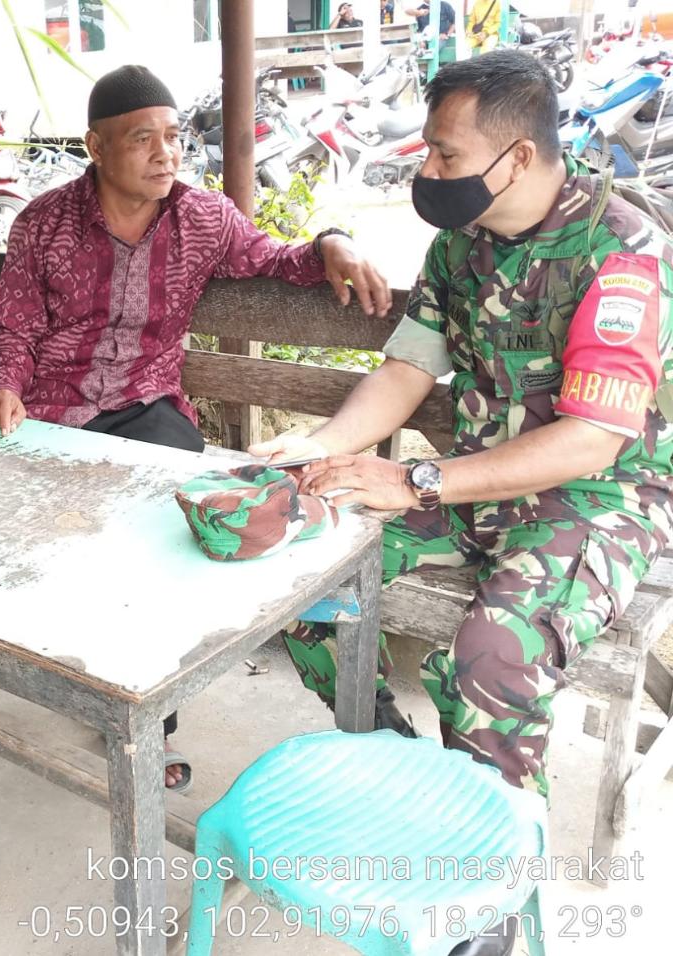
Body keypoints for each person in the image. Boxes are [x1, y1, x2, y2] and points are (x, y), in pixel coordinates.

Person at [253, 51, 673, 813]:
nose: (430, 168)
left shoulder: (620, 252)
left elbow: (592, 440)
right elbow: (407, 370)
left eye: (447, 153)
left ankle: (494, 886)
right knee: (297, 573)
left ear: (517, 158)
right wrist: (321, 447)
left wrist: (414, 478)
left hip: (597, 500)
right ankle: (394, 764)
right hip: (476, 487)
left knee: (492, 660)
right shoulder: (461, 245)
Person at [0, 65, 391, 790]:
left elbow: (275, 258)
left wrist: (333, 240)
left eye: (173, 137)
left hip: (145, 408)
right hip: (52, 412)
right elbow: (14, 322)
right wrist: (4, 382)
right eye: (144, 139)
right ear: (96, 147)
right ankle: (84, 668)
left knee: (164, 511)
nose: (167, 153)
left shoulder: (203, 218)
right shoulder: (43, 223)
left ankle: (144, 717)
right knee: (41, 520)